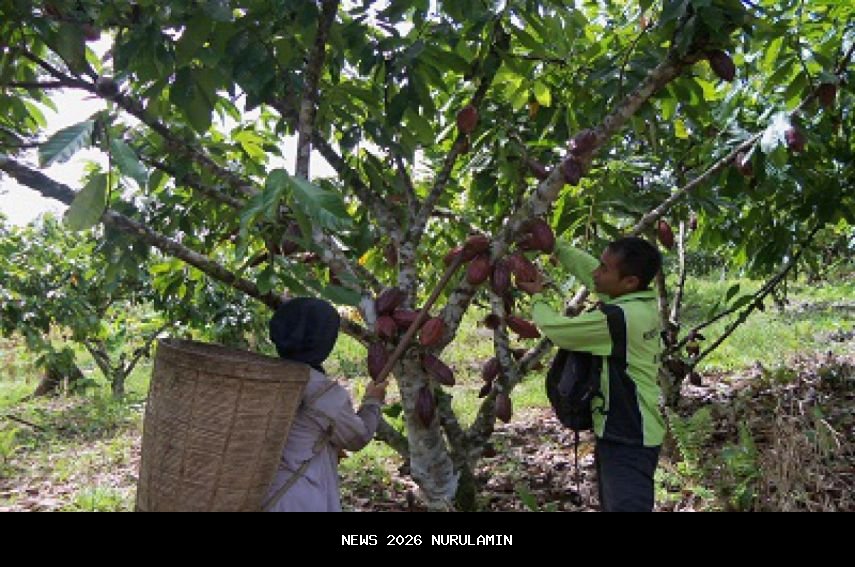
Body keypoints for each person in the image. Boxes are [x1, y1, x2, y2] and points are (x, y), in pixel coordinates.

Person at [532, 237, 665, 512]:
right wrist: (556, 248)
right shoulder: (638, 303)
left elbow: (558, 331)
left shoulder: (619, 319)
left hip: (629, 434)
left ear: (629, 282)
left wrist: (537, 296)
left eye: (604, 268)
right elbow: (590, 271)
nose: (596, 273)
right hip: (628, 429)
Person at [263, 297, 388, 512]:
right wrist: (373, 400)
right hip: (301, 496)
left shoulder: (262, 376)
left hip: (264, 493)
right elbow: (357, 437)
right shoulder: (322, 391)